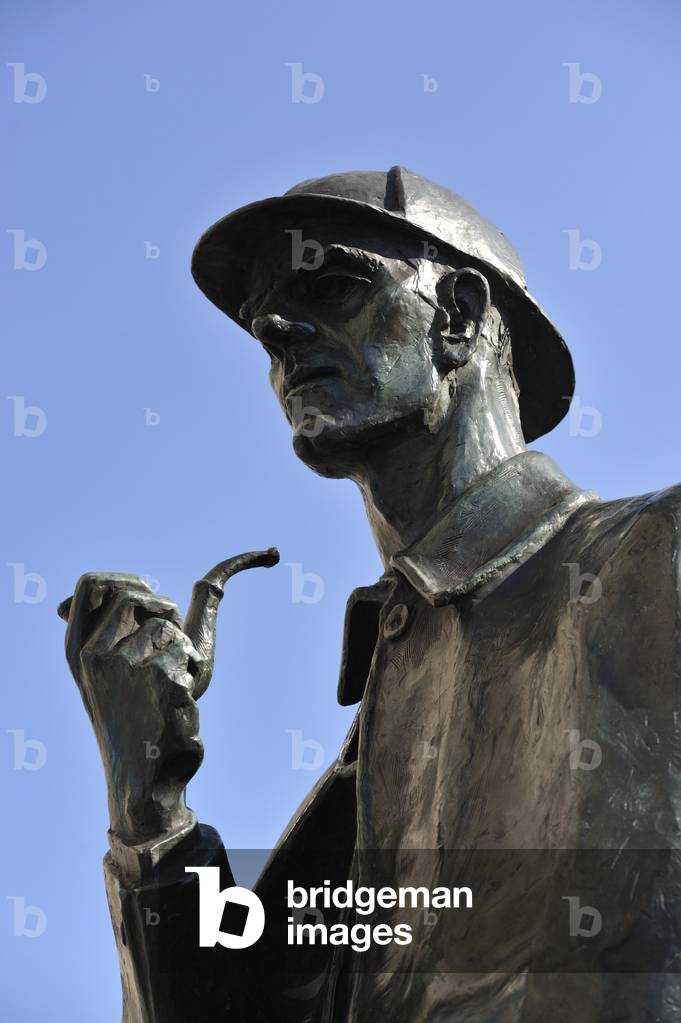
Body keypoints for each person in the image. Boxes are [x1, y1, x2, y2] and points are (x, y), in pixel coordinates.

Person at [60, 167, 681, 1022]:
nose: (275, 331)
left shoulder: (656, 557)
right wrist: (148, 807)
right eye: (263, 321)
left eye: (334, 287)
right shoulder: (376, 742)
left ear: (456, 316)